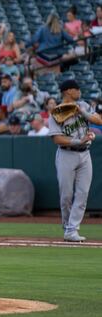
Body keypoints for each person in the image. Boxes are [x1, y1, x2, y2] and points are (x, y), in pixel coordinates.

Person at [48, 80, 102, 242]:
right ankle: (67, 226)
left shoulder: (83, 105)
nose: (79, 91)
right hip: (67, 154)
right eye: (76, 89)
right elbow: (57, 139)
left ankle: (72, 229)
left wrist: (82, 113)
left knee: (83, 193)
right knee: (66, 195)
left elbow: (99, 120)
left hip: (85, 154)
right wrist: (78, 141)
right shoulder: (57, 112)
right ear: (68, 91)